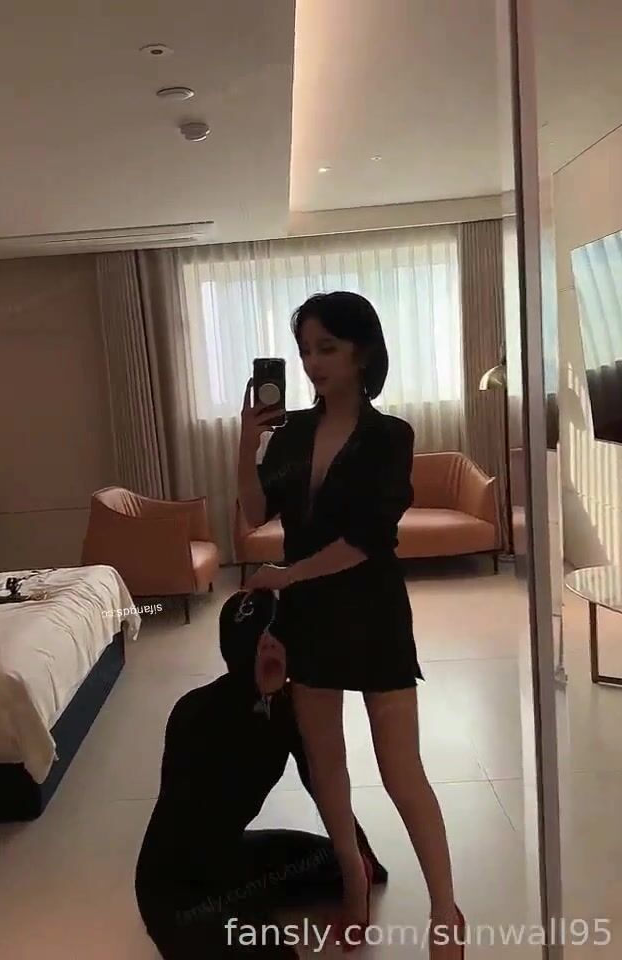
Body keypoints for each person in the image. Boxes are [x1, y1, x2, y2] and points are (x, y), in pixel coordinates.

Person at [238, 292, 465, 959]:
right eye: (305, 350)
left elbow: (368, 540)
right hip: (308, 618)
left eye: (327, 348)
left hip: (371, 613)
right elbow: (253, 514)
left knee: (401, 770)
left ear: (362, 351)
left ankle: (446, 909)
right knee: (327, 766)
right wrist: (247, 443)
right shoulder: (293, 434)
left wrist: (287, 575)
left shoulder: (390, 436)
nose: (312, 362)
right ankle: (353, 882)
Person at [135, 587, 388, 959]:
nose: (270, 647)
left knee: (333, 860)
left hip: (231, 855)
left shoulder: (287, 710)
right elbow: (195, 823)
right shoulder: (195, 712)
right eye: (257, 641)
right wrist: (251, 915)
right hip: (178, 888)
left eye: (278, 637)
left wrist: (358, 864)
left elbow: (323, 785)